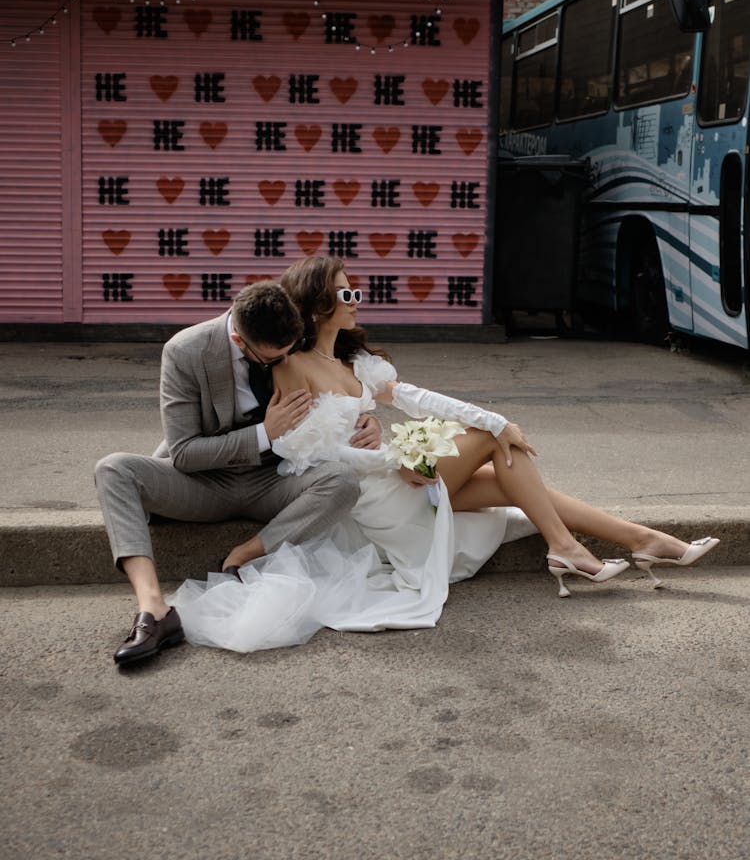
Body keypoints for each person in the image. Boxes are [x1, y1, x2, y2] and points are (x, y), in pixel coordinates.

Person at [168, 256, 718, 653]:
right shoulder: (292, 366)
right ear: (317, 307)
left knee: (509, 471)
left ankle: (633, 541)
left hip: (391, 477)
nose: (358, 299)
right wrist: (384, 450)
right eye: (348, 293)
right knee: (490, 440)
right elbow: (296, 451)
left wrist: (469, 425)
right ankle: (574, 546)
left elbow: (417, 397)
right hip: (372, 494)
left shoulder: (356, 366)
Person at [95, 280, 381, 666]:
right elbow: (183, 453)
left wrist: (365, 423)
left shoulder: (290, 339)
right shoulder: (185, 350)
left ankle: (248, 553)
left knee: (342, 481)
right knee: (113, 469)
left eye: (287, 353)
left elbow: (338, 395)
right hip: (205, 482)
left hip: (274, 481)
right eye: (270, 359)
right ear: (239, 339)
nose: (282, 364)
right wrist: (266, 432)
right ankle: (154, 610)